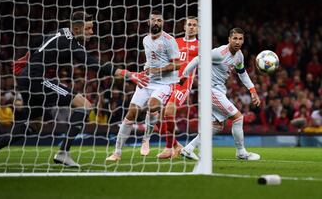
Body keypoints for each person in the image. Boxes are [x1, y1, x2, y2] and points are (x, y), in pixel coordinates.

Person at [0, 11, 149, 167]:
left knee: (34, 125)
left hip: (27, 78)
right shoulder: (70, 42)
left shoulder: (60, 33)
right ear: (76, 28)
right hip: (39, 79)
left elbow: (37, 44)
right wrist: (127, 73)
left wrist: (28, 61)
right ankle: (63, 152)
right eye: (88, 29)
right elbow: (92, 63)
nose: (91, 32)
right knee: (85, 105)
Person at [106, 10, 180, 161]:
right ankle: (117, 152)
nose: (156, 23)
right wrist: (146, 70)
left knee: (153, 106)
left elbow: (177, 65)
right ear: (148, 22)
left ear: (163, 23)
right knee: (131, 113)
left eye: (159, 20)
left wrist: (157, 70)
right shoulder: (146, 39)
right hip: (147, 81)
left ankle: (146, 138)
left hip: (164, 83)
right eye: (153, 20)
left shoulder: (169, 40)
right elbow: (151, 61)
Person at [180, 27, 261, 161]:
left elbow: (242, 73)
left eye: (240, 39)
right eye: (235, 38)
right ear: (229, 39)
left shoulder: (239, 55)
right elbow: (197, 59)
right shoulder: (219, 53)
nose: (237, 41)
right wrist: (184, 76)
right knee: (238, 118)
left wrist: (252, 90)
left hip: (218, 90)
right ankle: (241, 153)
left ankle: (188, 149)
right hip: (209, 90)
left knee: (217, 126)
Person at [140, 16, 199, 159]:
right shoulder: (174, 42)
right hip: (167, 82)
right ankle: (176, 146)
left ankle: (168, 149)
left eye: (194, 25)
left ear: (198, 28)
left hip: (182, 85)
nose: (191, 27)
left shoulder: (200, 46)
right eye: (189, 24)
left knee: (169, 111)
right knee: (156, 114)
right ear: (184, 27)